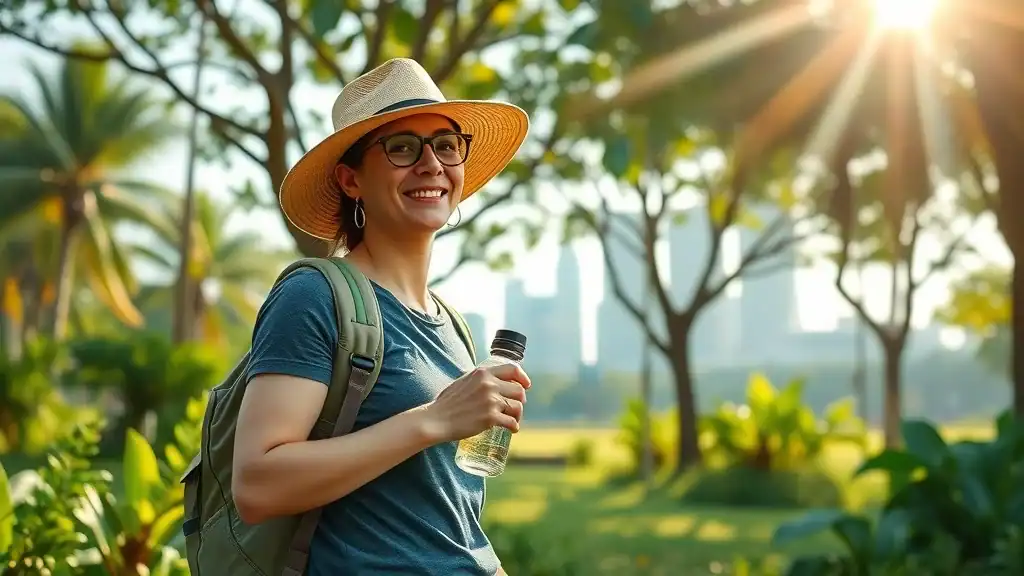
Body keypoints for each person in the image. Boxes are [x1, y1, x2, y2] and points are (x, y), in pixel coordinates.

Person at [229, 58, 533, 576]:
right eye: (401, 147)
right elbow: (257, 485)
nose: (432, 164)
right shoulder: (314, 296)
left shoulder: (452, 325)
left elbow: (446, 520)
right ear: (351, 180)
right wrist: (433, 420)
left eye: (445, 143)